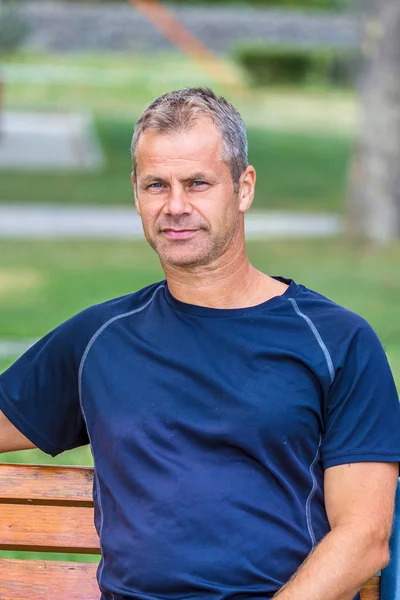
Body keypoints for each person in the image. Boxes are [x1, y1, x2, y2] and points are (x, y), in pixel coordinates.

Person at [0, 87, 399, 600]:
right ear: (136, 194)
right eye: (156, 185)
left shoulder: (336, 341)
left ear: (244, 187)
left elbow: (364, 538)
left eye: (197, 183)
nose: (176, 206)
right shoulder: (98, 339)